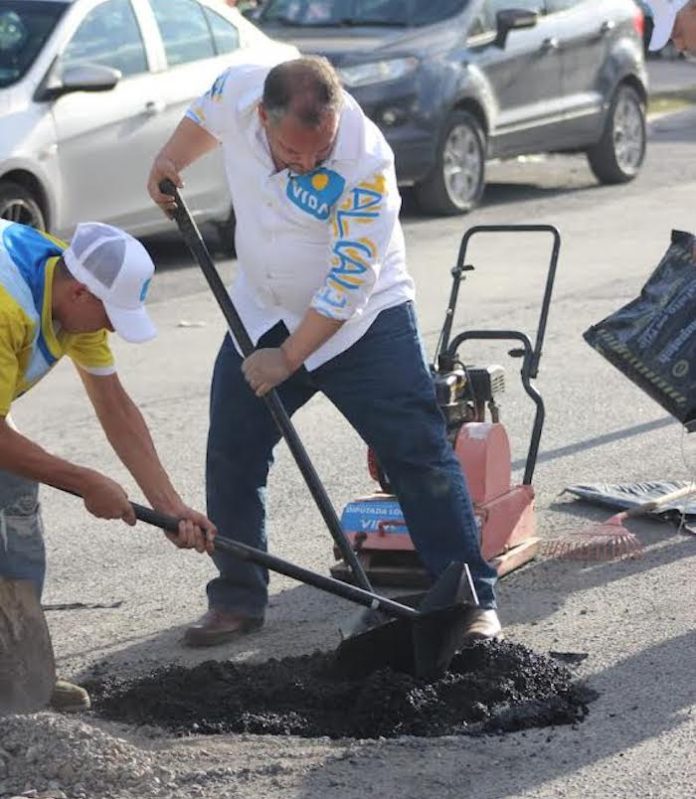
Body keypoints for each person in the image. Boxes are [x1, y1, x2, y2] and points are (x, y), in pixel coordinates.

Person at [147, 55, 501, 648]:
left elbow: (348, 286)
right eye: (293, 153)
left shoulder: (367, 162)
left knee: (417, 455)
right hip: (261, 310)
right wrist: (169, 161)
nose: (308, 163)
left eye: (320, 151)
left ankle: (470, 601)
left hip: (363, 326)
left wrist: (287, 358)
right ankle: (238, 598)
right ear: (263, 116)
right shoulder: (239, 90)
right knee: (232, 453)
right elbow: (201, 118)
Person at [0, 219, 215, 710]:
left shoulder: (68, 279)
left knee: (14, 507)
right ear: (80, 294)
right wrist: (84, 481)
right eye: (110, 314)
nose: (114, 326)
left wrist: (170, 506)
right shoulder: (7, 306)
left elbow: (114, 403)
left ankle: (21, 675)